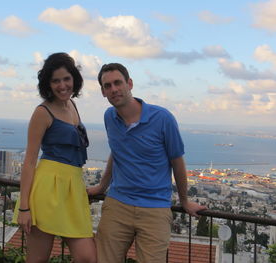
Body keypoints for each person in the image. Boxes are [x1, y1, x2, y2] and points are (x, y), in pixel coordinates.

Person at [87, 63, 207, 263]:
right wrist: (102, 186)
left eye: (118, 82)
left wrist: (184, 200)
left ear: (130, 84)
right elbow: (116, 152)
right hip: (118, 203)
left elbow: (177, 161)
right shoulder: (109, 117)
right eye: (108, 86)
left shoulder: (162, 118)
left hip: (155, 207)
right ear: (102, 92)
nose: (114, 89)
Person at [14, 52, 96, 263]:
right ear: (47, 84)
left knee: (87, 257)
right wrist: (24, 207)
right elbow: (30, 161)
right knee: (38, 259)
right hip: (47, 189)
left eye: (66, 79)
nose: (62, 85)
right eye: (55, 80)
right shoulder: (42, 112)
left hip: (73, 188)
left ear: (74, 79)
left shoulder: (72, 105)